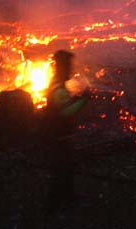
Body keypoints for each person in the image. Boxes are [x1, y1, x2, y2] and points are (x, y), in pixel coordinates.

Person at [44, 50, 90, 213]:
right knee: (61, 166)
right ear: (62, 66)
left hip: (60, 133)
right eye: (69, 65)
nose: (72, 69)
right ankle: (54, 205)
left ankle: (65, 196)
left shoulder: (58, 84)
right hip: (59, 134)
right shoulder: (58, 88)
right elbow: (65, 111)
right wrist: (83, 99)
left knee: (65, 166)